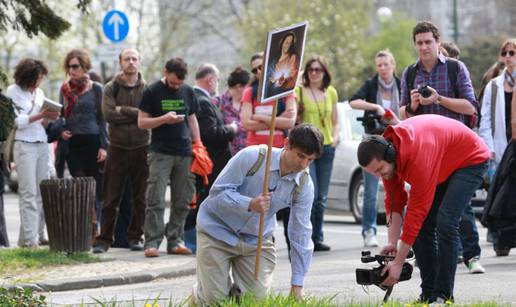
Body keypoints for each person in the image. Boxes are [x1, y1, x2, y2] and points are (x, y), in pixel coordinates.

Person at [357, 114, 489, 303]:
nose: (380, 176)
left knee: (446, 222)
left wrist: (398, 263)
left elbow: (415, 213)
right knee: (422, 229)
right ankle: (429, 295)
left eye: (379, 170)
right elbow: (394, 202)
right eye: (374, 173)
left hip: (471, 159)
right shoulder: (388, 158)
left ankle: (444, 296)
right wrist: (393, 244)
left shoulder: (418, 157)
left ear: (391, 155)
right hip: (444, 162)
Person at [193, 124, 323, 305]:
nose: (303, 164)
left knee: (254, 301)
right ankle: (201, 295)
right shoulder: (252, 156)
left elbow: (300, 232)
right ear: (286, 144)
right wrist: (249, 204)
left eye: (310, 160)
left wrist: (297, 285)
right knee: (216, 301)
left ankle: (219, 290)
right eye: (300, 156)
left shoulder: (304, 184)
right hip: (217, 231)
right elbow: (217, 193)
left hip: (257, 240)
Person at [399, 21, 485, 274]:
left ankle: (471, 255)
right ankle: (437, 269)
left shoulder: (455, 69)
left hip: (458, 155)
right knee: (428, 217)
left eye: (428, 42)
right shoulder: (410, 73)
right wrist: (414, 106)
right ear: (415, 45)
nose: (424, 47)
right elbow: (402, 115)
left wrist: (439, 99)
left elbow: (471, 108)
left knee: (457, 212)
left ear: (438, 42)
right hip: (427, 158)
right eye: (419, 43)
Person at [138, 57, 204, 257]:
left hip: (184, 152)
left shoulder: (188, 91)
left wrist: (198, 144)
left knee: (183, 200)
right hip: (160, 152)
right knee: (155, 198)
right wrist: (164, 119)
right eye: (174, 82)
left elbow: (192, 119)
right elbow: (142, 122)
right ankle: (152, 242)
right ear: (165, 73)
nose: (177, 86)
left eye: (180, 83)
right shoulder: (151, 91)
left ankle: (175, 240)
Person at [93, 48, 149, 253]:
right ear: (120, 63)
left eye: (134, 59)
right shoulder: (111, 87)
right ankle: (104, 239)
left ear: (139, 62)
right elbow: (108, 115)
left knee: (140, 198)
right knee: (110, 197)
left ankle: (136, 237)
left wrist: (123, 109)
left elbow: (149, 115)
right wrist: (137, 115)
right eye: (127, 59)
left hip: (142, 147)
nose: (131, 62)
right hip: (116, 148)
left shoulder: (147, 89)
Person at [6, 59, 60, 247]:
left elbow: (42, 123)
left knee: (40, 193)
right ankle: (30, 241)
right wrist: (40, 115)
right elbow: (15, 121)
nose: (39, 81)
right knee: (28, 193)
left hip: (41, 142)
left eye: (41, 78)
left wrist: (50, 117)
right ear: (27, 76)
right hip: (24, 144)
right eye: (37, 78)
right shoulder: (13, 91)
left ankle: (34, 235)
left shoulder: (40, 93)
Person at [350, 50, 400, 247]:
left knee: (398, 188)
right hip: (373, 141)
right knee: (370, 191)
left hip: (396, 139)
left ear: (393, 65)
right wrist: (376, 108)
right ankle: (369, 230)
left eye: (386, 64)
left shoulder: (402, 83)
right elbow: (353, 101)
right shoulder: (371, 85)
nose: (383, 68)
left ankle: (399, 230)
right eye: (379, 65)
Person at [185, 63, 235, 253]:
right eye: (218, 80)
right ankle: (190, 242)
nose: (218, 85)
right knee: (201, 202)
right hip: (207, 163)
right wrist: (232, 129)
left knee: (200, 201)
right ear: (211, 80)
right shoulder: (203, 101)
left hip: (204, 162)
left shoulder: (194, 97)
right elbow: (210, 133)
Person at [59, 49, 108, 242]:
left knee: (93, 188)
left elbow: (103, 119)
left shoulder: (96, 88)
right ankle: (86, 231)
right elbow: (60, 115)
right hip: (73, 144)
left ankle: (94, 232)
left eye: (75, 66)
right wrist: (61, 130)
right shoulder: (64, 89)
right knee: (80, 185)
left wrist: (104, 146)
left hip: (93, 142)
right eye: (69, 66)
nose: (71, 70)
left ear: (84, 66)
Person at [294, 55, 339, 252]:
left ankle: (318, 237)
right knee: (309, 194)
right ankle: (306, 236)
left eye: (318, 70)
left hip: (327, 147)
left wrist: (336, 137)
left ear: (324, 72)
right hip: (307, 148)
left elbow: (335, 120)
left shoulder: (331, 92)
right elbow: (294, 116)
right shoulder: (299, 91)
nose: (313, 73)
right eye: (310, 69)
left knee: (321, 197)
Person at [241, 53, 296, 148]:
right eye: (254, 70)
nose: (258, 71)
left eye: (260, 67)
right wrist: (278, 120)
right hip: (254, 148)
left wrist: (258, 117)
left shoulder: (286, 90)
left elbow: (290, 122)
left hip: (279, 147)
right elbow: (246, 125)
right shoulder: (249, 92)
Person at [213, 67, 250, 155]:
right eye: (248, 87)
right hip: (225, 156)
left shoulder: (250, 104)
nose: (250, 90)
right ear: (239, 87)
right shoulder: (217, 103)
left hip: (249, 155)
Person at [266, 31, 299, 97]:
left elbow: (293, 72)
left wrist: (282, 79)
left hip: (285, 90)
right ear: (282, 42)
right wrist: (271, 80)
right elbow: (269, 75)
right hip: (273, 89)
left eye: (290, 43)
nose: (288, 46)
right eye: (286, 42)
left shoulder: (293, 57)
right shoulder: (275, 60)